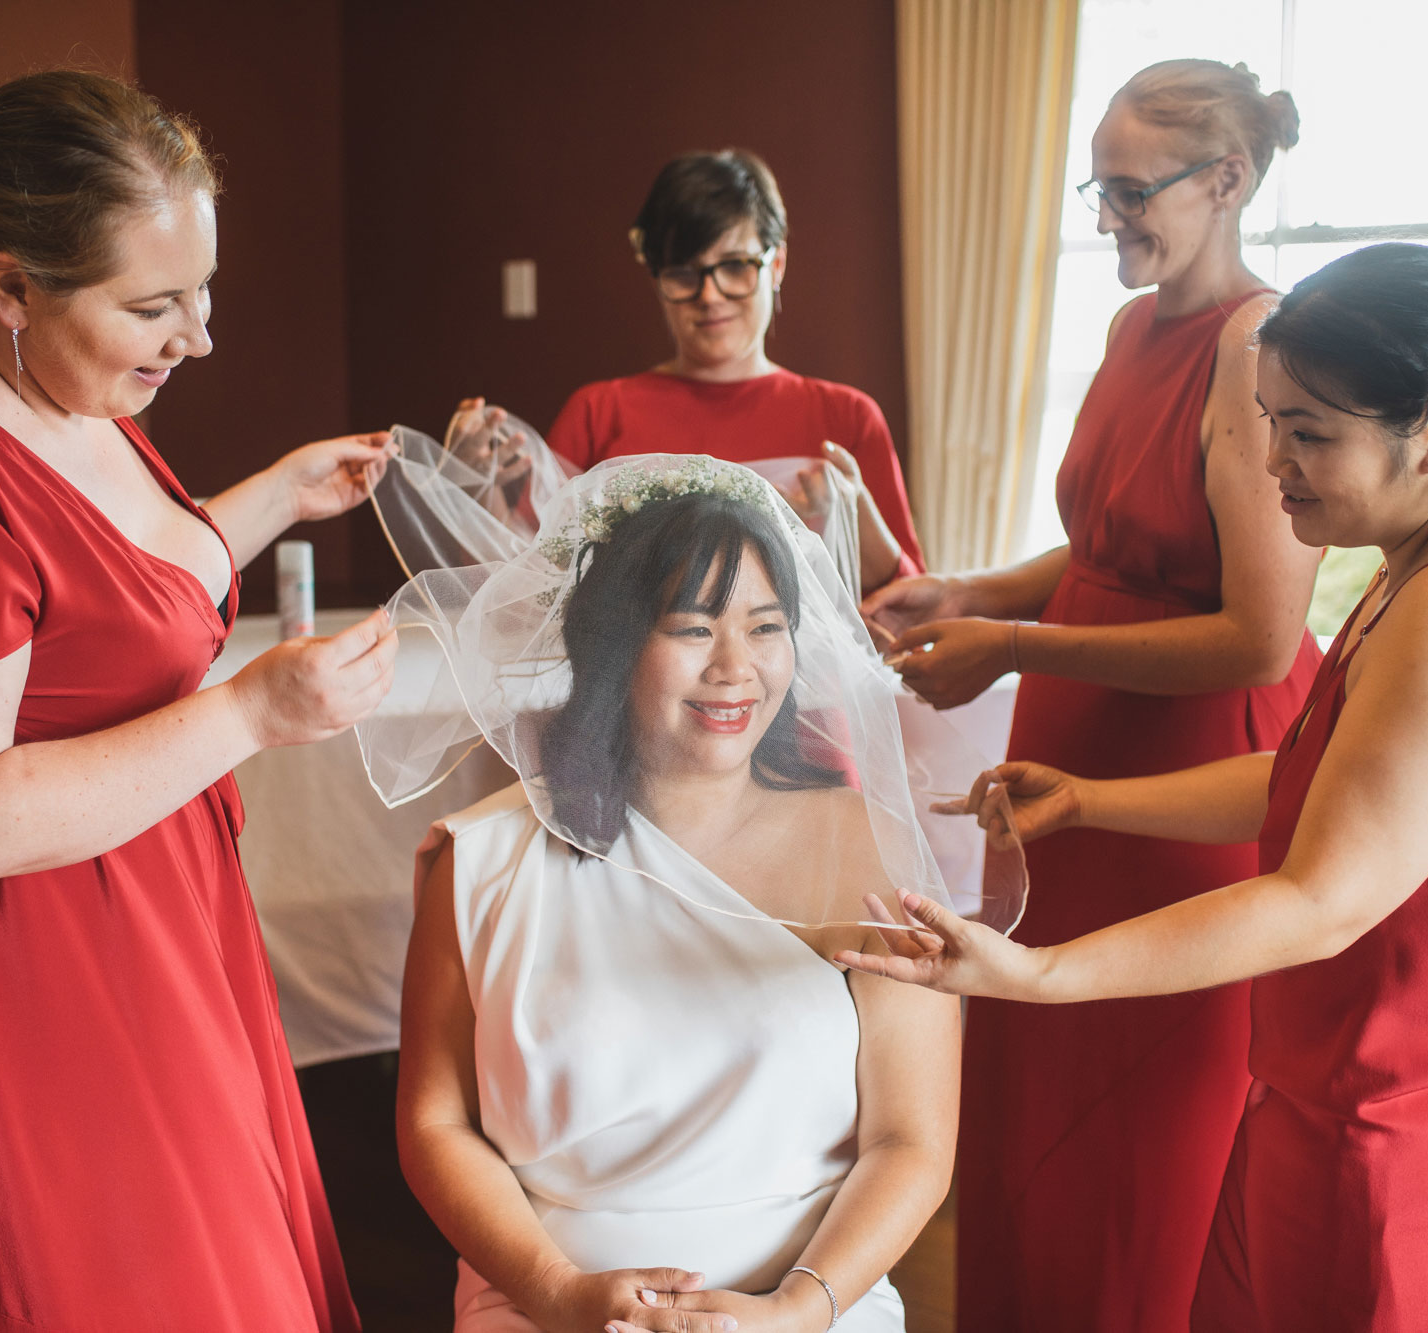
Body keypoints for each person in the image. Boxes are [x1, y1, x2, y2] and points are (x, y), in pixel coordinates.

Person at [843, 242, 1428, 1332]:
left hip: (1407, 1137)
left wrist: (1038, 972)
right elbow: (1330, 782)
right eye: (1266, 423)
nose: (1271, 464)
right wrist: (1093, 798)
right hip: (1340, 1092)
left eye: (1307, 434)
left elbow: (1318, 896)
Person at [0, 72, 395, 1332]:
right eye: (154, 304)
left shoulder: (63, 385)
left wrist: (274, 495)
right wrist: (250, 716)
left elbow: (102, 605)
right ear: (9, 286)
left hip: (141, 935)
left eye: (202, 292)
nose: (195, 336)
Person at [861, 59, 1323, 1330]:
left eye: (1130, 193)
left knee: (1135, 1147)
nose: (1106, 218)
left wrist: (1011, 644)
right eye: (1096, 190)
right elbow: (1119, 542)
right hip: (1070, 778)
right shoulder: (1133, 328)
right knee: (1033, 1122)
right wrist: (972, 591)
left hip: (1178, 798)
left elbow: (1256, 637)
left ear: (1224, 182)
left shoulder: (1258, 350)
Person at [374, 459, 960, 1332]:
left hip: (812, 1305)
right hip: (546, 1302)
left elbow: (910, 1139)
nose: (736, 667)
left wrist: (798, 1309)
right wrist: (556, 1291)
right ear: (611, 645)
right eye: (694, 628)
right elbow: (435, 1121)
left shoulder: (867, 847)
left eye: (767, 627)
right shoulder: (483, 861)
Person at [542, 149, 924, 594]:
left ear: (775, 265)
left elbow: (909, 603)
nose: (710, 295)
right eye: (685, 273)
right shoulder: (597, 412)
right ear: (657, 279)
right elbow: (538, 580)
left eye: (735, 266)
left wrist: (851, 508)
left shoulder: (847, 418)